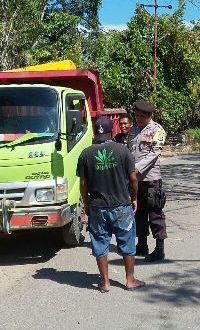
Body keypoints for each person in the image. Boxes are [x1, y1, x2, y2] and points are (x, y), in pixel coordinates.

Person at [77, 116, 145, 293]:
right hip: (121, 205)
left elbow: (83, 183)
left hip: (98, 207)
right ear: (111, 131)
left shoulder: (86, 154)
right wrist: (134, 197)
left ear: (94, 132)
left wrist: (86, 203)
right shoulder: (122, 151)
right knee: (127, 242)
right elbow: (133, 178)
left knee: (100, 244)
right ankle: (130, 280)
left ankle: (105, 283)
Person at [128, 100, 168, 262]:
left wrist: (136, 167)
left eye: (142, 116)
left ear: (150, 115)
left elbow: (154, 154)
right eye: (137, 116)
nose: (138, 119)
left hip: (151, 179)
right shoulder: (133, 130)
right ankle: (142, 244)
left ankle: (159, 249)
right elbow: (129, 151)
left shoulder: (157, 130)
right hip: (135, 180)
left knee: (155, 214)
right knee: (138, 212)